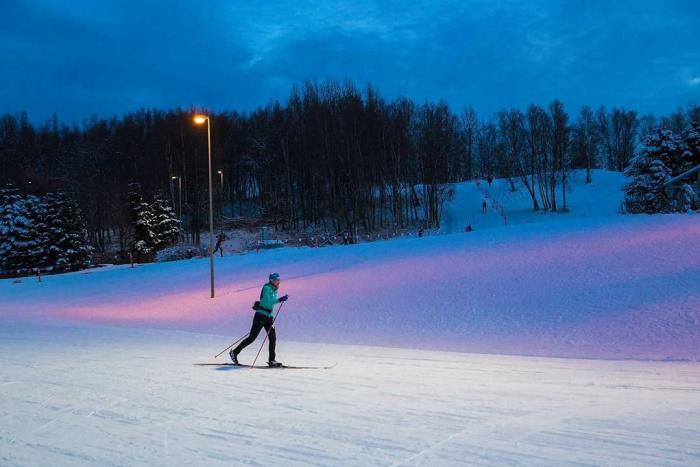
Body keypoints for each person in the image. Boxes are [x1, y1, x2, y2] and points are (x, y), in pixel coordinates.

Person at [230, 272, 288, 367]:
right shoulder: (267, 288)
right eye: (277, 280)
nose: (279, 282)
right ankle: (235, 352)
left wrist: (271, 315)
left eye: (279, 280)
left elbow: (270, 305)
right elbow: (268, 301)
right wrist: (280, 299)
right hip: (260, 316)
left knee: (272, 338)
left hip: (268, 317)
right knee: (252, 337)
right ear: (272, 280)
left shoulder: (274, 289)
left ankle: (272, 360)